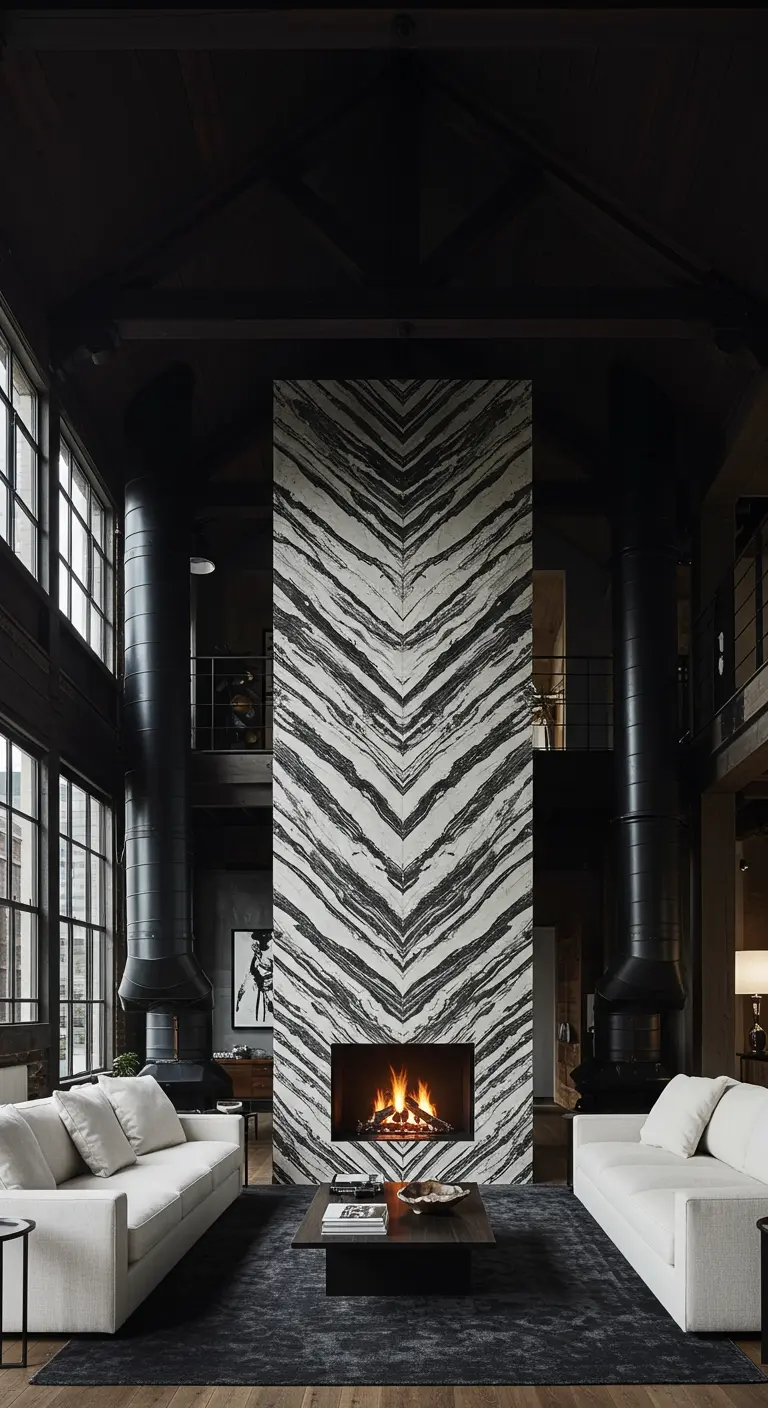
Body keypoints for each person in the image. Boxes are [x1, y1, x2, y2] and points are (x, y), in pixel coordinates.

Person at [236, 931, 274, 1023]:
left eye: (264, 939)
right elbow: (250, 973)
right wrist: (239, 996)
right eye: (260, 939)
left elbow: (268, 966)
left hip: (268, 992)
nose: (260, 942)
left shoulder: (270, 953)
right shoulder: (254, 956)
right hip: (256, 990)